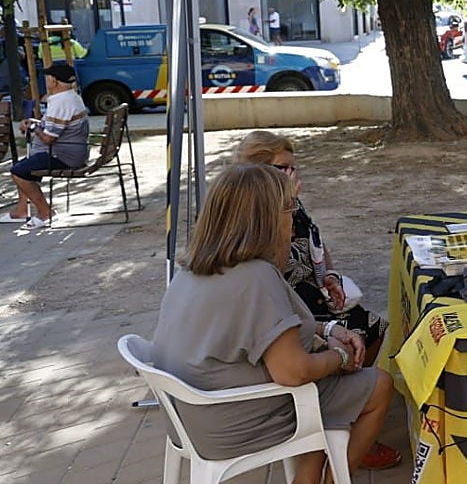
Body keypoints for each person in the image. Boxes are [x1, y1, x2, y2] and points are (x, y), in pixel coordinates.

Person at [151, 163, 393, 482]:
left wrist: (327, 331)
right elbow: (293, 371)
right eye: (289, 210)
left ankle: (305, 478)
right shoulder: (255, 277)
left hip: (192, 416)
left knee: (322, 390)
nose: (293, 225)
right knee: (377, 385)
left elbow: (263, 332)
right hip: (234, 422)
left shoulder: (193, 270)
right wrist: (342, 358)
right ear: (265, 220)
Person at [233, 130, 402, 471]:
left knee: (373, 326)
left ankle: (348, 411)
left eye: (292, 168)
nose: (292, 176)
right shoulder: (258, 218)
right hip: (292, 307)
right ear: (258, 173)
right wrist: (336, 353)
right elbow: (272, 280)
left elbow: (318, 248)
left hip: (310, 299)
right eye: (283, 169)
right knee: (355, 341)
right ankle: (345, 414)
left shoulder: (291, 205)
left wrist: (330, 277)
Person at [0, 62, 89, 229]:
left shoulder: (61, 101)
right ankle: (21, 210)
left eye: (47, 77)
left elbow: (48, 138)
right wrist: (35, 123)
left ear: (54, 81)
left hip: (63, 156)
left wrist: (33, 127)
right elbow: (54, 127)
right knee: (23, 165)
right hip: (70, 152)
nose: (45, 80)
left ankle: (45, 213)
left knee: (18, 172)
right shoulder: (70, 96)